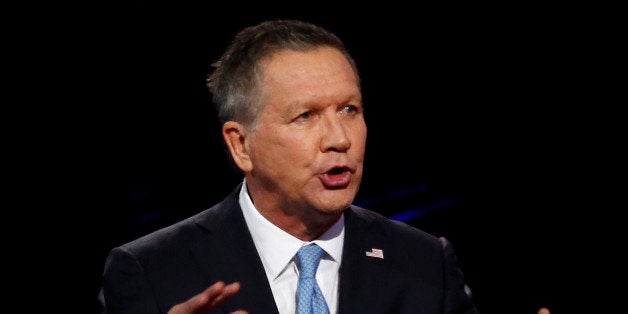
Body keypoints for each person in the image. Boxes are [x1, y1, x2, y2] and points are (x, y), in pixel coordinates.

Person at [98, 19, 480, 314]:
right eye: (305, 116)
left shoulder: (426, 263)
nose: (339, 138)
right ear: (241, 145)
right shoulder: (151, 271)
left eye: (349, 110)